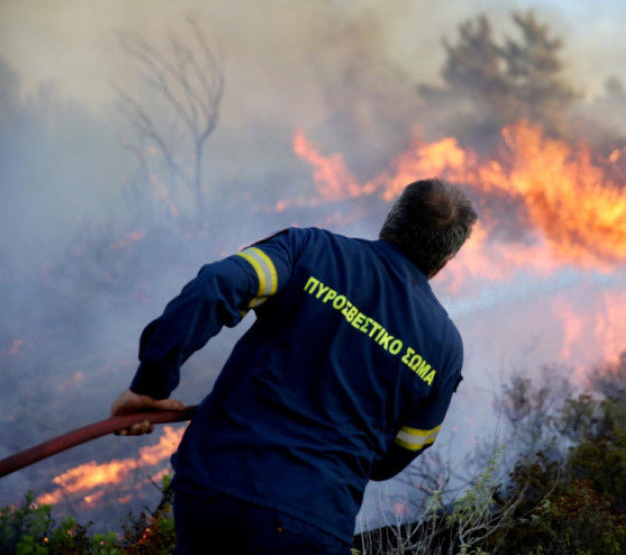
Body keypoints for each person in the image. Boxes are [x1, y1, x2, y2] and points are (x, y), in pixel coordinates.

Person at [110, 178, 478, 554]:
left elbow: (216, 285)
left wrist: (150, 386)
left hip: (213, 485)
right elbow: (397, 454)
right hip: (314, 518)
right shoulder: (445, 348)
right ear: (445, 260)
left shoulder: (309, 249)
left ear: (392, 219)